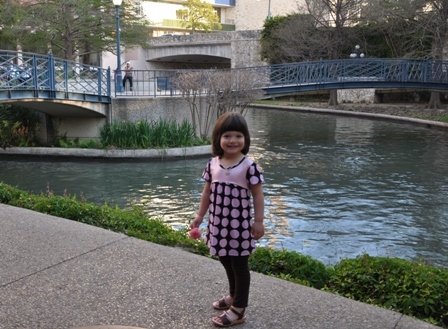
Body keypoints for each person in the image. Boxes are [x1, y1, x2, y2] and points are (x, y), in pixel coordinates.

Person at [190, 112, 265, 327]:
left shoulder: (249, 166)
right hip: (218, 224)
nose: (233, 141)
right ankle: (233, 296)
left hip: (239, 227)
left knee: (239, 265)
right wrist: (200, 216)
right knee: (225, 260)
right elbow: (207, 193)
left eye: (238, 136)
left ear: (246, 139)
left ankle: (239, 309)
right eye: (227, 136)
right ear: (218, 139)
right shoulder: (213, 164)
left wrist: (258, 221)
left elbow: (258, 195)